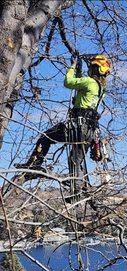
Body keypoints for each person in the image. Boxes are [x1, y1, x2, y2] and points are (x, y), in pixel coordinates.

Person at [16, 54, 112, 192]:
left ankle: (33, 166)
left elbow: (68, 82)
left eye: (91, 68)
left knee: (45, 137)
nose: (89, 70)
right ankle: (77, 188)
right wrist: (79, 70)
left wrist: (72, 66)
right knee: (75, 159)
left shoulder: (89, 82)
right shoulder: (100, 89)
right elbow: (79, 84)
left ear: (95, 69)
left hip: (78, 127)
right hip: (90, 131)